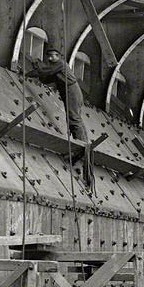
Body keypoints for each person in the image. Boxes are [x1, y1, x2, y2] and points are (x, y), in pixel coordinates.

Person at [31, 41, 94, 189]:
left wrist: (35, 67)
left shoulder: (61, 64)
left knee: (74, 118)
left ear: (58, 56)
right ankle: (81, 141)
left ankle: (81, 143)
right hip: (70, 93)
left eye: (53, 56)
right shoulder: (56, 69)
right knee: (73, 118)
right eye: (49, 57)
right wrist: (34, 72)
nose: (51, 58)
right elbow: (46, 78)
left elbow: (45, 72)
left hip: (72, 92)